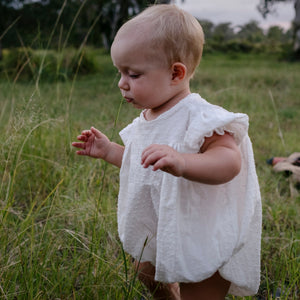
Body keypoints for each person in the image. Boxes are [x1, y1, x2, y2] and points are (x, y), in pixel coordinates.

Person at [72, 4, 262, 300]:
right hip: (161, 227)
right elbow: (145, 165)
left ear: (176, 73)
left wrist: (183, 161)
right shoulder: (147, 118)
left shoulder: (201, 118)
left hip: (199, 229)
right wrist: (110, 151)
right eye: (119, 72)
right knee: (145, 270)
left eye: (133, 74)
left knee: (199, 287)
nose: (121, 83)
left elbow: (229, 161)